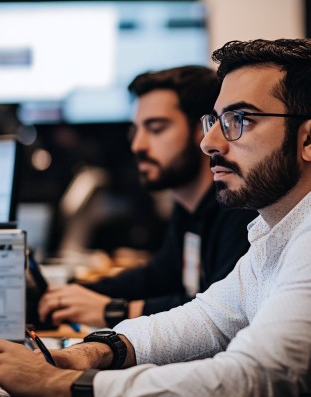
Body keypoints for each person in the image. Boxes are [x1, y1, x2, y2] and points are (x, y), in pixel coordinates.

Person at [0, 39, 311, 397]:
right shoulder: (286, 227)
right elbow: (208, 320)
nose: (209, 141)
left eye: (239, 121)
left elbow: (245, 382)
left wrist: (53, 384)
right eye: (215, 120)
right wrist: (91, 354)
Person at [37, 65, 256, 328]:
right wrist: (69, 292)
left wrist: (114, 311)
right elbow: (157, 276)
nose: (137, 145)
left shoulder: (240, 209)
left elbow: (220, 314)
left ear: (204, 130)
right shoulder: (188, 208)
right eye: (136, 130)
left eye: (155, 128)